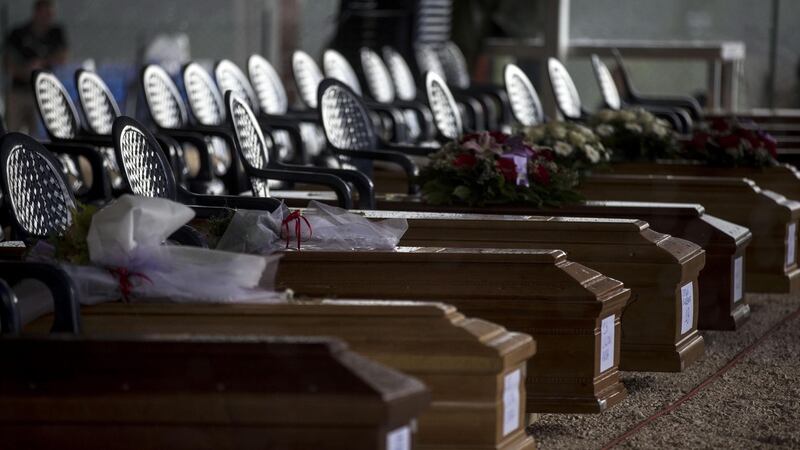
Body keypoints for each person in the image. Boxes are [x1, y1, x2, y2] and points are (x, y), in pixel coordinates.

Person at [4, 0, 68, 133]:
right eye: (45, 13)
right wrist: (26, 70)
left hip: (43, 92)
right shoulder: (18, 34)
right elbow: (8, 63)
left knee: (40, 135)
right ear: (37, 12)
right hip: (19, 91)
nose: (47, 18)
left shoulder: (56, 33)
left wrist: (41, 64)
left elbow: (62, 57)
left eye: (50, 14)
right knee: (12, 131)